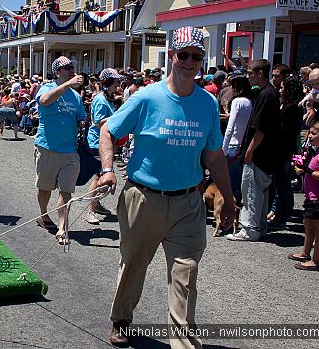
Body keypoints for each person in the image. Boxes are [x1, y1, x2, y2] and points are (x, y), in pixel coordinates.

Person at [97, 26, 235, 347]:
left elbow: (214, 157)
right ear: (172, 56)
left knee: (186, 275)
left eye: (196, 56)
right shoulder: (146, 97)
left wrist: (228, 198)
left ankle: (183, 343)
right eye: (183, 54)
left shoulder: (208, 104)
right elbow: (108, 131)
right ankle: (121, 318)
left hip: (188, 203)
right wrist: (107, 169)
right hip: (143, 198)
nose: (190, 61)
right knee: (134, 265)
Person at [228, 59, 281, 242]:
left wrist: (250, 150)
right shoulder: (268, 93)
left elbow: (261, 128)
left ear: (260, 74)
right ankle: (260, 225)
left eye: (251, 73)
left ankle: (249, 228)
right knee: (261, 191)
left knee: (251, 190)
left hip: (259, 153)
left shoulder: (266, 95)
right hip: (267, 153)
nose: (248, 76)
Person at [34, 56, 86, 245]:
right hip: (48, 146)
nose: (71, 70)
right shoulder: (47, 88)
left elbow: (81, 117)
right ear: (57, 72)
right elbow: (45, 101)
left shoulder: (76, 96)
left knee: (66, 190)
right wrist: (68, 84)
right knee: (45, 187)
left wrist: (83, 122)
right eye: (66, 67)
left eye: (72, 67)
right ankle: (43, 215)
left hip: (70, 149)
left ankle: (62, 227)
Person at [289, 121, 319, 270]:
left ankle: (316, 260)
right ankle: (305, 252)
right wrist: (302, 167)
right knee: (308, 226)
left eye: (314, 133)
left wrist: (307, 169)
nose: (310, 136)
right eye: (310, 133)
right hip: (311, 196)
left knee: (318, 229)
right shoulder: (317, 151)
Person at [85, 68, 121, 225]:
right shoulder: (100, 100)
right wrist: (118, 117)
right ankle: (90, 211)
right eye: (116, 81)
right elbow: (98, 121)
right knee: (99, 177)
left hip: (107, 141)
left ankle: (96, 204)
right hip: (96, 142)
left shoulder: (109, 98)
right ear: (108, 82)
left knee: (100, 175)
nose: (118, 84)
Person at [268, 76, 303, 228]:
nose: (281, 90)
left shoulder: (290, 107)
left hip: (283, 150)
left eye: (283, 87)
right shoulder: (296, 105)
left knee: (280, 185)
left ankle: (281, 217)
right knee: (285, 184)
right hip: (288, 149)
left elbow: (281, 129)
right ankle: (284, 211)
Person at [221, 74, 253, 210]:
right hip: (244, 144)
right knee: (240, 181)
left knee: (231, 182)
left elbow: (230, 127)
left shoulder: (237, 101)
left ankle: (233, 211)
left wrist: (223, 149)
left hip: (233, 144)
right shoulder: (250, 101)